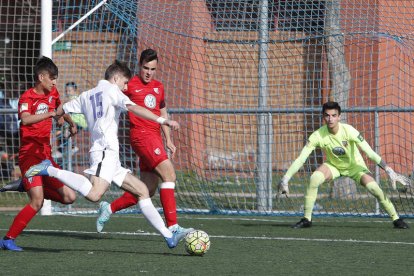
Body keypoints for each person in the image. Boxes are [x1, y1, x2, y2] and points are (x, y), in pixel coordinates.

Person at [24, 60, 185, 249]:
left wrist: (63, 120)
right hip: (104, 152)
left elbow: (62, 108)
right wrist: (161, 119)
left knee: (142, 191)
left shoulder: (86, 95)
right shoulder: (112, 90)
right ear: (116, 78)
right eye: (125, 82)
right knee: (94, 195)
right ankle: (49, 169)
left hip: (110, 156)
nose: (126, 87)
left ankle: (169, 236)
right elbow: (134, 108)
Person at [95, 49, 193, 237]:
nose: (149, 72)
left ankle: (109, 208)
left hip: (155, 138)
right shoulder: (129, 84)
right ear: (140, 66)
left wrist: (169, 139)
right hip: (141, 136)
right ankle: (173, 227)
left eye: (153, 69)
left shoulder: (159, 87)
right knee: (169, 174)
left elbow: (162, 113)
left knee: (147, 189)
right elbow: (110, 92)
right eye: (146, 68)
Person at [278, 101, 409, 229]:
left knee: (375, 189)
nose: (330, 119)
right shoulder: (317, 135)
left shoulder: (349, 130)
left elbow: (369, 153)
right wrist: (286, 178)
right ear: (323, 117)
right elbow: (301, 159)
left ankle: (396, 218)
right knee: (314, 178)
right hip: (333, 166)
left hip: (355, 166)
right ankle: (307, 219)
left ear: (339, 117)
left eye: (334, 115)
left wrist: (389, 170)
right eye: (327, 115)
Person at [0, 57, 78, 251]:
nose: (54, 82)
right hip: (29, 155)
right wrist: (51, 114)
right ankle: (8, 239)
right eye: (52, 78)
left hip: (46, 156)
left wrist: (69, 121)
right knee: (37, 201)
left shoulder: (53, 93)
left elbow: (59, 109)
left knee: (69, 197)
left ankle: (26, 185)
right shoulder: (26, 98)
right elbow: (25, 120)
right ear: (41, 76)